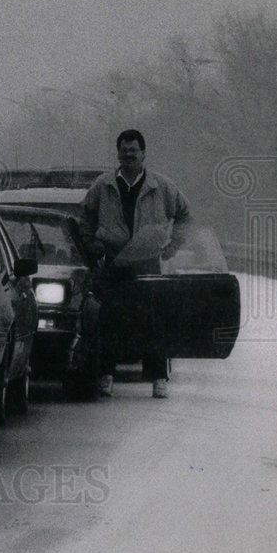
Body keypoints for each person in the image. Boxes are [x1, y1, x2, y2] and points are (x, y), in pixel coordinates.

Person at [81, 129, 191, 399]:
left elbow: (185, 215)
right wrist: (92, 245)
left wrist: (172, 246)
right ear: (117, 153)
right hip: (113, 259)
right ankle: (106, 376)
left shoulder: (162, 186)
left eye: (134, 150)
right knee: (109, 319)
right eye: (124, 150)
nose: (129, 155)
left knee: (154, 319)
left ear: (143, 153)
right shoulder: (103, 186)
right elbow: (85, 216)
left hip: (147, 260)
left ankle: (158, 378)